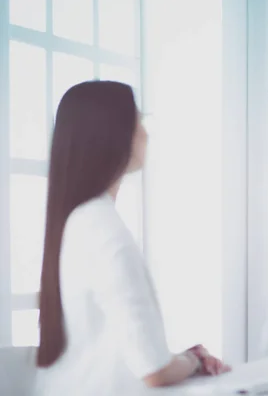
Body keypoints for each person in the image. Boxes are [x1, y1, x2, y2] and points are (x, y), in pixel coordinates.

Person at [35, 80, 230, 395]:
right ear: (113, 136)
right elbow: (154, 370)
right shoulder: (103, 230)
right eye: (138, 121)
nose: (145, 133)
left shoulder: (78, 221)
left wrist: (183, 359)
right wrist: (194, 360)